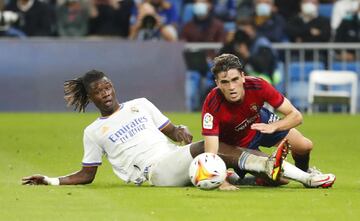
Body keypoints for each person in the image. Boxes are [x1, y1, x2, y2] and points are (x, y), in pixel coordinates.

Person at [22, 69, 291, 189]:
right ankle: (267, 164)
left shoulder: (140, 104)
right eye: (98, 92)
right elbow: (87, 174)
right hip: (156, 173)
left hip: (174, 158)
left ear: (113, 86)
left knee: (225, 171)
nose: (105, 94)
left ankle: (268, 175)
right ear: (90, 98)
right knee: (208, 148)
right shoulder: (93, 132)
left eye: (107, 87)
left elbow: (173, 132)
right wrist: (51, 180)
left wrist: (181, 131)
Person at [201, 53, 336, 188]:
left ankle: (305, 172)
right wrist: (220, 182)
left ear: (243, 77)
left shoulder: (258, 85)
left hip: (262, 123)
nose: (231, 87)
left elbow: (296, 116)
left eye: (235, 79)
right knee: (279, 179)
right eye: (225, 82)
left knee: (305, 146)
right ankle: (240, 178)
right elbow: (211, 151)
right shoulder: (212, 103)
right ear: (217, 83)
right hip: (239, 144)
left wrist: (275, 126)